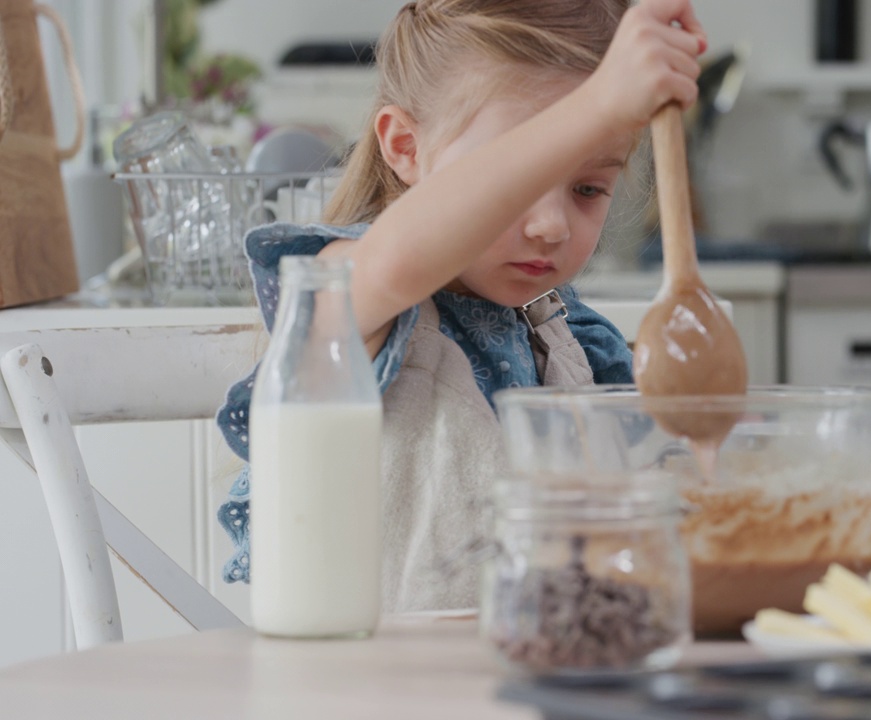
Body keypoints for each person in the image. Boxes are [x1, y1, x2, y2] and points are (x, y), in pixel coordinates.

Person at [214, 0, 707, 612]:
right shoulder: (350, 290)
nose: (552, 225)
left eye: (587, 188)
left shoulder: (572, 338)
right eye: (518, 174)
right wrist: (598, 104)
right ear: (405, 146)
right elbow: (399, 260)